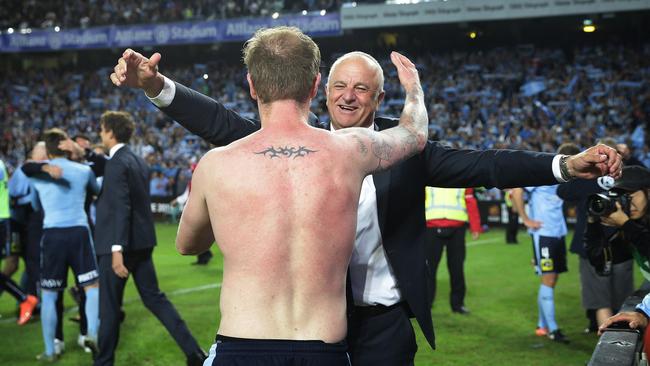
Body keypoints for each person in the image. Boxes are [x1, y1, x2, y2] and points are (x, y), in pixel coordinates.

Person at [111, 47, 622, 366]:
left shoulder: (405, 152)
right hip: (309, 330)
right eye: (339, 85)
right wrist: (156, 85)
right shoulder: (288, 146)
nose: (348, 96)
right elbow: (219, 123)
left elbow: (487, 166)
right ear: (320, 92)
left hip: (381, 326)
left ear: (379, 99)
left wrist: (564, 165)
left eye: (362, 88)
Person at [176, 26, 428, 365]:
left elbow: (187, 245)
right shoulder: (352, 151)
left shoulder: (215, 165)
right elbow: (414, 133)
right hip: (323, 348)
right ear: (314, 85)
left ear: (251, 85)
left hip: (243, 344)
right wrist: (413, 90)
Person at [93, 111, 206, 366]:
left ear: (110, 132)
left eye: (102, 129)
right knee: (155, 299)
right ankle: (194, 353)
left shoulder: (116, 163)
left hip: (118, 246)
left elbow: (121, 207)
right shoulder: (138, 161)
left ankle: (103, 362)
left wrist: (116, 248)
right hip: (142, 243)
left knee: (109, 309)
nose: (100, 133)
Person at [28, 128, 101, 362]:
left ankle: (50, 350)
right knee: (92, 288)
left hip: (52, 235)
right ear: (63, 145)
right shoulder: (83, 171)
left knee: (49, 294)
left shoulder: (36, 175)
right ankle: (91, 334)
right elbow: (97, 191)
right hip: (79, 232)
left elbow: (34, 203)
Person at [557, 139, 634, 332]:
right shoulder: (628, 175)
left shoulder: (588, 177)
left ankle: (608, 356)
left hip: (594, 246)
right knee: (623, 303)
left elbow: (563, 191)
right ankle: (619, 351)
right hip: (621, 242)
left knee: (602, 302)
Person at [511, 143, 582, 344]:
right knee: (548, 280)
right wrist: (525, 219)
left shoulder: (565, 179)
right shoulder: (544, 173)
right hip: (543, 234)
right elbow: (516, 190)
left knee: (551, 279)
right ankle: (553, 329)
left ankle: (542, 325)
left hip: (557, 232)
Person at [584, 165, 650, 294]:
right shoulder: (631, 226)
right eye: (623, 197)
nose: (628, 203)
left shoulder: (630, 226)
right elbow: (601, 263)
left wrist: (626, 224)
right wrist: (593, 222)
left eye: (630, 195)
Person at [424, 187, 481, 314]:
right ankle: (426, 303)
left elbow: (470, 200)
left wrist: (475, 226)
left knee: (457, 268)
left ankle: (458, 304)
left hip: (457, 228)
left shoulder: (463, 175)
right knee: (429, 269)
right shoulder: (428, 173)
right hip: (431, 227)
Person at [0, 157, 39, 326]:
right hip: (7, 220)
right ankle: (24, 298)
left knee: (13, 264)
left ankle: (24, 298)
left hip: (3, 221)